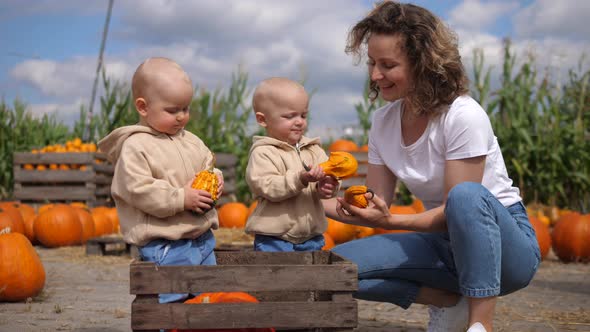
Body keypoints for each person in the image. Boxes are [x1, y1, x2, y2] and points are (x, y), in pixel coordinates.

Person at [323, 2, 541, 332]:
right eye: (371, 63)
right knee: (332, 271)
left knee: (466, 197)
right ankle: (448, 301)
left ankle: (480, 325)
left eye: (387, 65)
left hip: (504, 250)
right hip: (440, 244)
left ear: (422, 63)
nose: (375, 75)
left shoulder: (462, 115)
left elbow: (460, 207)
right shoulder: (383, 122)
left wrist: (392, 221)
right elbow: (373, 204)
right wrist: (306, 196)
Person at [98, 57, 224, 303]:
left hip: (202, 238)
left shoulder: (191, 141)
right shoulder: (136, 147)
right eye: (172, 110)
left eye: (185, 109)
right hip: (166, 243)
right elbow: (139, 190)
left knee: (209, 298)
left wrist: (215, 179)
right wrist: (181, 198)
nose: (181, 117)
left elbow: (208, 166)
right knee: (174, 302)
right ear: (143, 107)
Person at [245, 77, 339, 252]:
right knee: (275, 278)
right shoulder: (264, 152)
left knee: (311, 279)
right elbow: (266, 186)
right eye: (290, 116)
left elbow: (328, 176)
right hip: (274, 238)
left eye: (303, 115)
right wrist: (300, 179)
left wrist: (328, 186)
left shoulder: (313, 150)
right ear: (262, 119)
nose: (299, 121)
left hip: (312, 236)